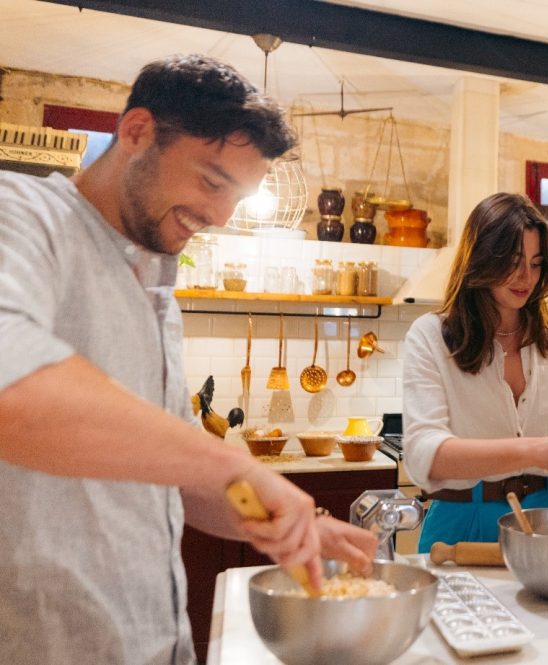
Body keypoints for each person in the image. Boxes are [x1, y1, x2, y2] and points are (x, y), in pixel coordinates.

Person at [0, 55, 376, 665]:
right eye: (211, 181)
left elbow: (178, 475)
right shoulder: (22, 213)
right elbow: (11, 387)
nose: (221, 218)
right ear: (137, 132)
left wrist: (280, 520)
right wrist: (234, 467)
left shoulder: (152, 283)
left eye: (238, 196)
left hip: (154, 642)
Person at [402, 193, 548, 551]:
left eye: (535, 263)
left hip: (546, 522)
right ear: (481, 259)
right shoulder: (431, 336)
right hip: (460, 523)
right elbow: (426, 455)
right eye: (512, 262)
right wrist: (538, 451)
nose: (525, 277)